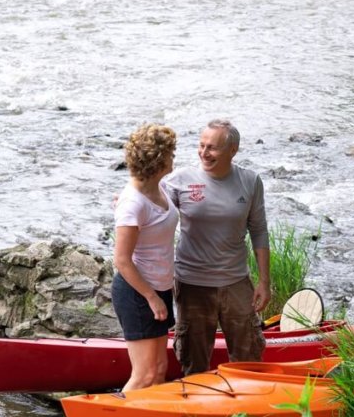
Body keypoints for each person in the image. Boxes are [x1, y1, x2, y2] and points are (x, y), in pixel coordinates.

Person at [166, 119, 270, 375]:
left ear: (232, 150)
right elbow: (152, 214)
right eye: (201, 145)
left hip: (236, 283)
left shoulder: (250, 181)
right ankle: (197, 412)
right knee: (194, 362)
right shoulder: (179, 181)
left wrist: (264, 282)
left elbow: (258, 231)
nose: (204, 153)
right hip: (192, 284)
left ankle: (248, 408)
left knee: (249, 358)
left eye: (212, 147)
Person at [111, 124, 178, 392]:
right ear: (158, 161)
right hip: (138, 293)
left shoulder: (158, 187)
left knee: (159, 371)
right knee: (143, 376)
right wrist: (151, 297)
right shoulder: (133, 202)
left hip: (159, 289)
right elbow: (122, 260)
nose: (174, 157)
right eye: (171, 153)